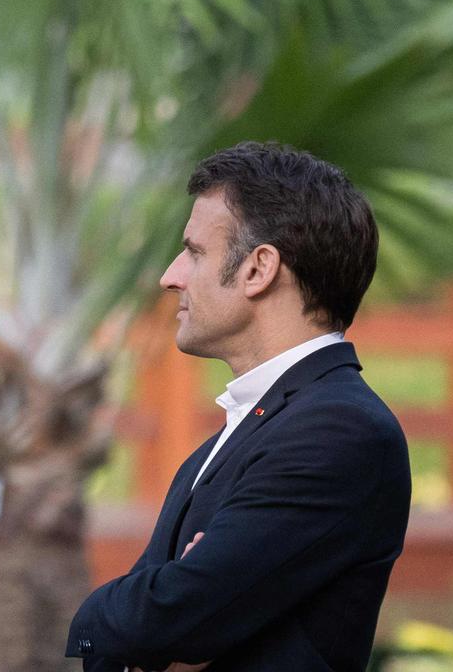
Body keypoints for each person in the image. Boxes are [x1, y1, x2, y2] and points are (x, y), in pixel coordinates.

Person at [66, 142, 411, 672]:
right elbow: (149, 631)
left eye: (195, 252)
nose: (170, 275)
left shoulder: (339, 429)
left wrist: (100, 616)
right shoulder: (242, 430)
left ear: (259, 269)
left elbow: (163, 619)